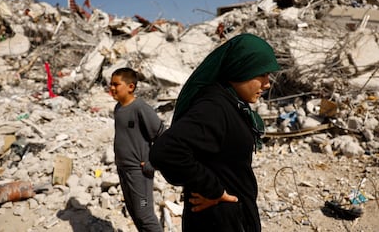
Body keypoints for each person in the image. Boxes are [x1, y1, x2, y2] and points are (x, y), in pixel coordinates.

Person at [149, 33, 280, 232]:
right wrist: (214, 190)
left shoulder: (232, 103)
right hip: (218, 219)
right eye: (261, 74)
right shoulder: (214, 107)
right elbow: (165, 151)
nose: (267, 84)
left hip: (231, 215)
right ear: (241, 69)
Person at [109, 67, 165, 232]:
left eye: (116, 84)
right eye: (110, 84)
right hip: (124, 170)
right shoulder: (118, 108)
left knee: (144, 214)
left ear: (130, 87)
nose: (111, 88)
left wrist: (152, 163)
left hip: (138, 174)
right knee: (134, 212)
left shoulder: (140, 108)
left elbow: (163, 136)